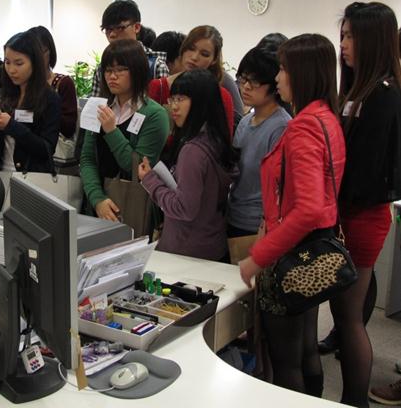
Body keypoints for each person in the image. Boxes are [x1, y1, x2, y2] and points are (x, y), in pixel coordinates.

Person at [239, 34, 345, 398]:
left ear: (299, 72)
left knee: (287, 362)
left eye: (283, 68)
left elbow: (308, 208)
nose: (279, 76)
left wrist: (259, 257)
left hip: (293, 253)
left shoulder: (301, 127)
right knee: (305, 350)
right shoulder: (326, 117)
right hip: (318, 246)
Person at [328, 2, 401, 408]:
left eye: (352, 36)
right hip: (348, 214)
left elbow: (366, 173)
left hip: (362, 217)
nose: (344, 45)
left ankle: (355, 399)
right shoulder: (357, 91)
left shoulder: (384, 95)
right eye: (343, 35)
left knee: (350, 318)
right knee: (345, 314)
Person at [138, 69, 238, 262]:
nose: (173, 107)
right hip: (212, 244)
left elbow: (184, 208)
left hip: (187, 252)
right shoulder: (216, 139)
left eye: (181, 99)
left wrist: (150, 181)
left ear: (201, 102)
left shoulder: (193, 151)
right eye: (172, 99)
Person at [81, 39, 169, 221]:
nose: (112, 76)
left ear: (137, 71)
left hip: (133, 205)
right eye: (108, 70)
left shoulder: (154, 114)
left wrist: (112, 131)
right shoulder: (99, 107)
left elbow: (138, 170)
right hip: (95, 204)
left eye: (120, 69)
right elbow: (87, 159)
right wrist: (97, 199)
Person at [227, 45, 291, 246]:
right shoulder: (246, 120)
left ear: (274, 85)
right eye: (243, 79)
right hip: (234, 215)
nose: (245, 87)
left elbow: (280, 186)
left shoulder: (281, 126)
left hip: (258, 225)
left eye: (254, 82)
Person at [0, 30, 61, 173]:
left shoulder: (50, 98)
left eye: (19, 63)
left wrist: (11, 125)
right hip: (1, 173)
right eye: (7, 62)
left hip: (31, 177)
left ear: (34, 63)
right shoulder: (4, 94)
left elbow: (46, 149)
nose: (11, 70)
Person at [147, 26, 236, 134]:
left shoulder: (221, 95)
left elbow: (223, 141)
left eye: (204, 54)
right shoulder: (158, 86)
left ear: (214, 60)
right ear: (183, 48)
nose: (194, 57)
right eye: (191, 48)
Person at [89, 0, 168, 97]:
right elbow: (96, 106)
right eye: (108, 29)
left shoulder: (156, 66)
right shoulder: (102, 68)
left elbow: (162, 109)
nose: (112, 34)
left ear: (137, 27)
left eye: (120, 28)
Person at [28, 25, 78, 139]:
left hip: (54, 151)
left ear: (50, 52)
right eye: (31, 53)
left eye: (41, 52)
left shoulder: (63, 83)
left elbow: (69, 128)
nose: (36, 58)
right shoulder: (21, 84)